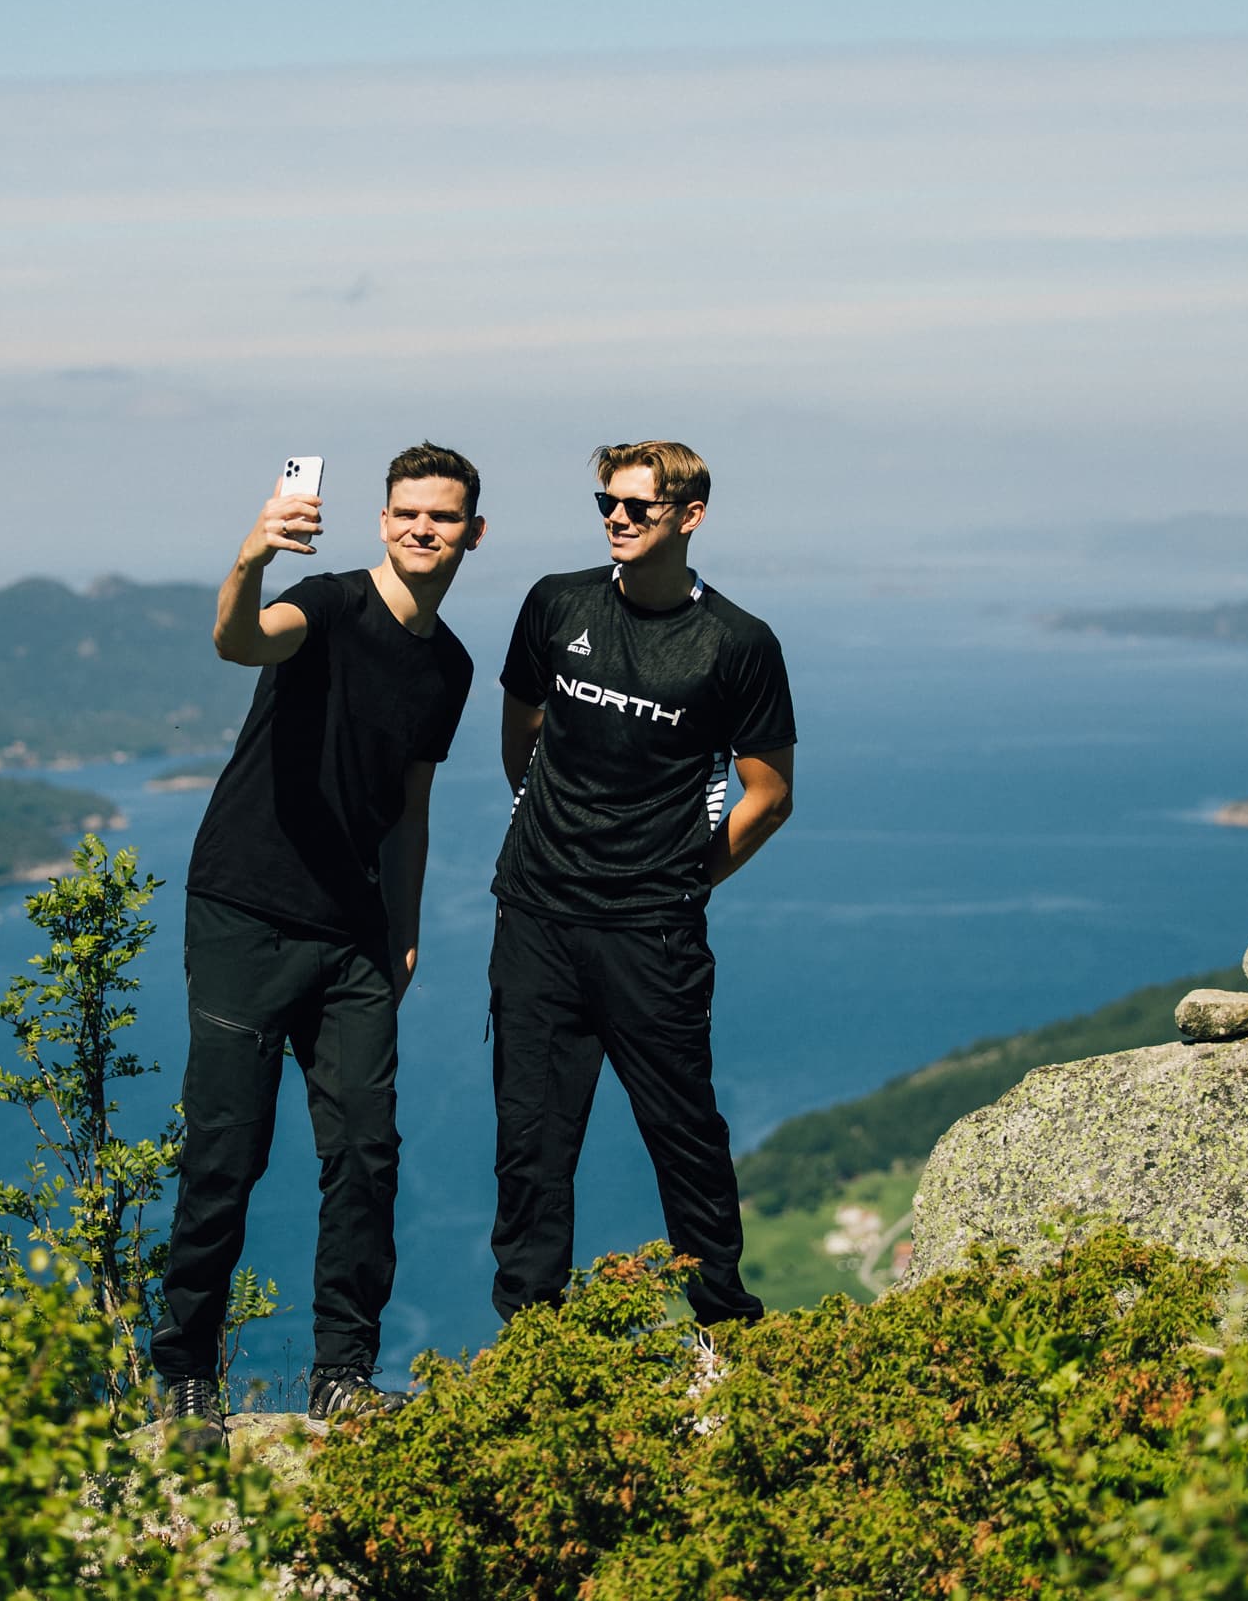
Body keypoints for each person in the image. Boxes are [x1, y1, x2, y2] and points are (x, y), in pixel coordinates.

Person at [153, 443, 483, 1440]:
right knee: (225, 1150)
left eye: (444, 516)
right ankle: (185, 1371)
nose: (424, 528)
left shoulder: (451, 664)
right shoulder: (327, 603)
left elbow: (409, 809)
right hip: (246, 910)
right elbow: (239, 641)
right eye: (408, 513)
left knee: (366, 1150)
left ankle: (342, 1372)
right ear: (383, 521)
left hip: (353, 935)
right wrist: (252, 553)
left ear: (472, 531)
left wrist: (406, 926)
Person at [487, 439, 796, 1332]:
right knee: (531, 1145)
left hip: (651, 934)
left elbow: (768, 796)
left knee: (685, 1135)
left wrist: (680, 878)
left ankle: (725, 1328)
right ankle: (532, 1345)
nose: (616, 519)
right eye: (605, 504)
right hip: (537, 916)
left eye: (636, 506)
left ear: (688, 517)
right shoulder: (557, 603)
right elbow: (523, 739)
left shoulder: (737, 643)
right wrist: (554, 836)